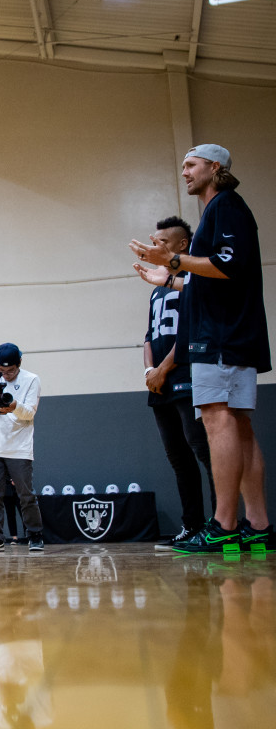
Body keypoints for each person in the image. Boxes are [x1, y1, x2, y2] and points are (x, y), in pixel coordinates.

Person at [131, 144, 271, 553]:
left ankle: (224, 525)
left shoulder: (225, 205)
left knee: (218, 421)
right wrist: (167, 278)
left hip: (220, 336)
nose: (185, 172)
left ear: (214, 167)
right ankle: (258, 525)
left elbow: (225, 265)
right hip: (231, 333)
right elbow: (207, 280)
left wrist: (173, 261)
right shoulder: (219, 210)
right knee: (239, 427)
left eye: (191, 165)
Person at [141, 216, 216, 548]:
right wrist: (150, 372)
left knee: (203, 450)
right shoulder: (158, 287)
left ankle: (221, 524)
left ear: (182, 245)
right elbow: (148, 336)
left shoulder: (192, 281)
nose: (155, 246)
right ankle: (192, 525)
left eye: (162, 242)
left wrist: (164, 368)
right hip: (159, 384)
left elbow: (189, 333)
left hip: (185, 376)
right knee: (178, 457)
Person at [0, 343, 44, 553]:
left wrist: (14, 406)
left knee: (26, 495)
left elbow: (30, 413)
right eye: (2, 371)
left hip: (19, 447)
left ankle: (35, 535)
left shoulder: (31, 379)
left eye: (11, 371)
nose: (6, 375)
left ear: (19, 363)